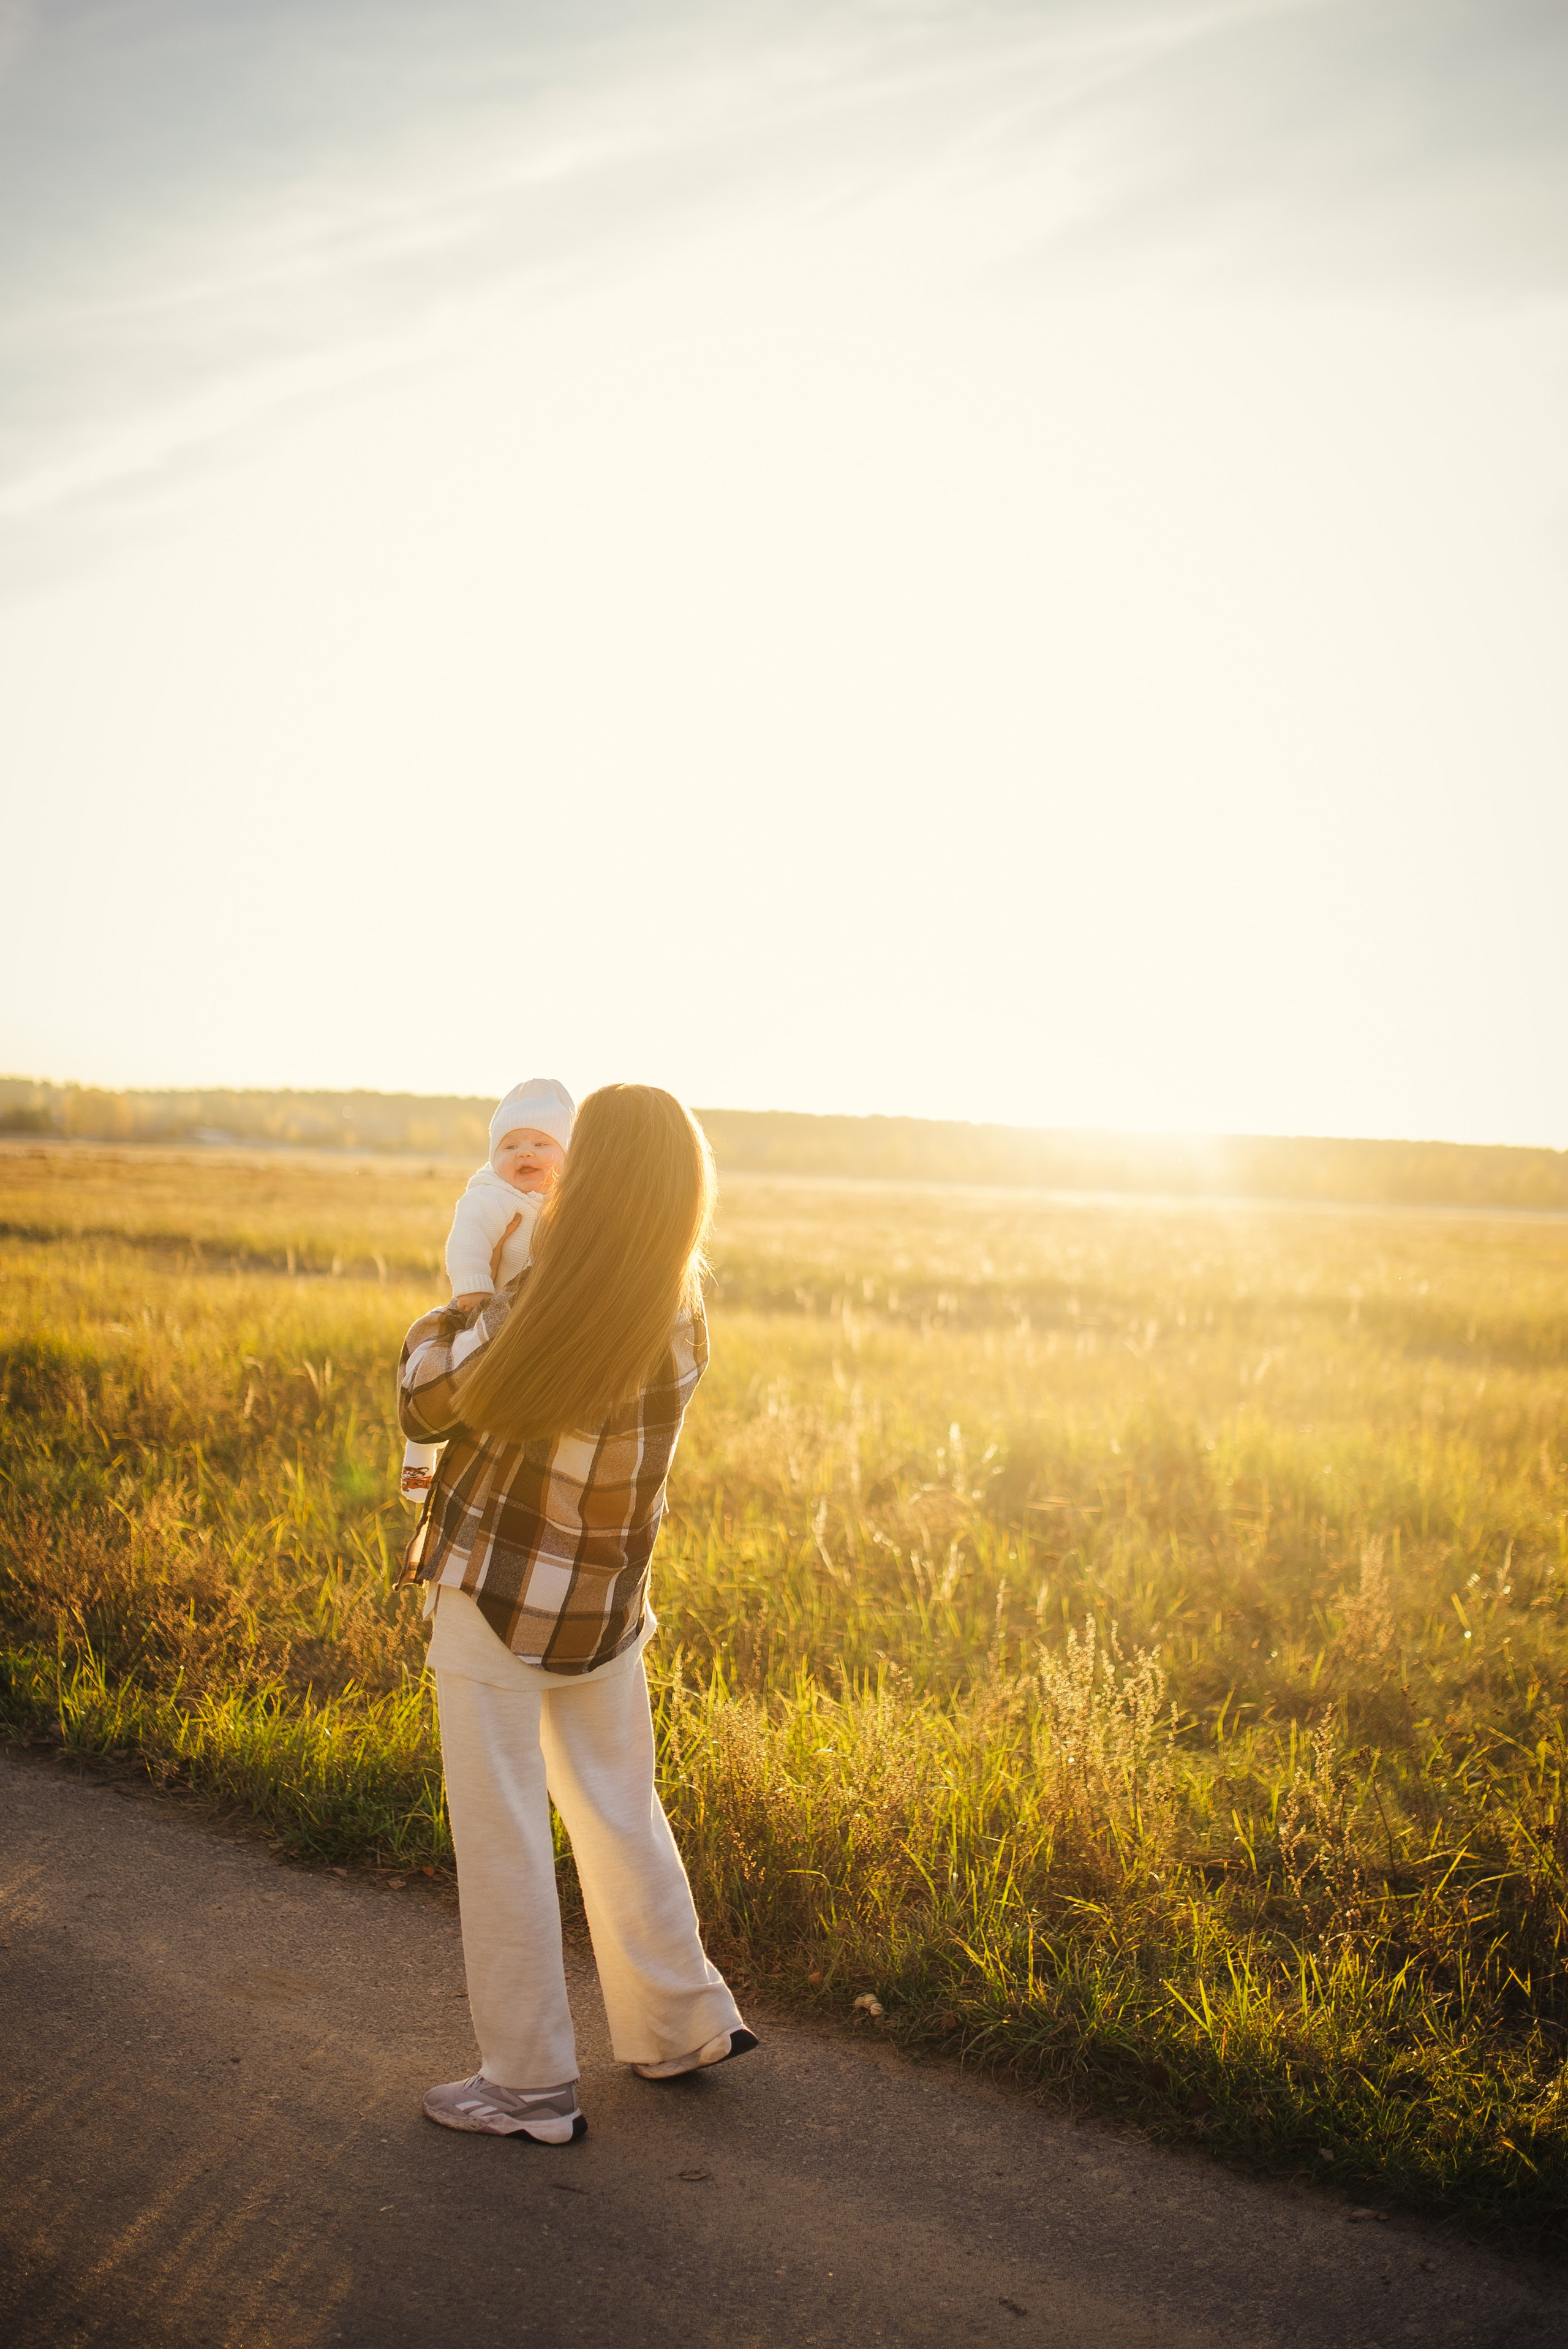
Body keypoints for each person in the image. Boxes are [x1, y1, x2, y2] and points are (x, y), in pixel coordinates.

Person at [396, 1083, 755, 2146]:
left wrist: (457, 1303)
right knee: (619, 1806)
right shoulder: (681, 1307)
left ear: (590, 1176)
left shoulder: (544, 1300)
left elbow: (427, 1398)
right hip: (606, 1602)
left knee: (502, 1830)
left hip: (501, 1593)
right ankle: (680, 2022)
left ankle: (527, 2084)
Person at [399, 1077, 576, 1506]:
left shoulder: (566, 1203)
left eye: (541, 1144)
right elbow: (467, 1241)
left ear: (570, 1156)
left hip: (526, 1319)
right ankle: (418, 1462)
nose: (525, 1153)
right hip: (481, 1306)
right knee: (446, 1376)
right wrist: (475, 1292)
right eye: (510, 1146)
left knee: (487, 1397)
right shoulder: (493, 1196)